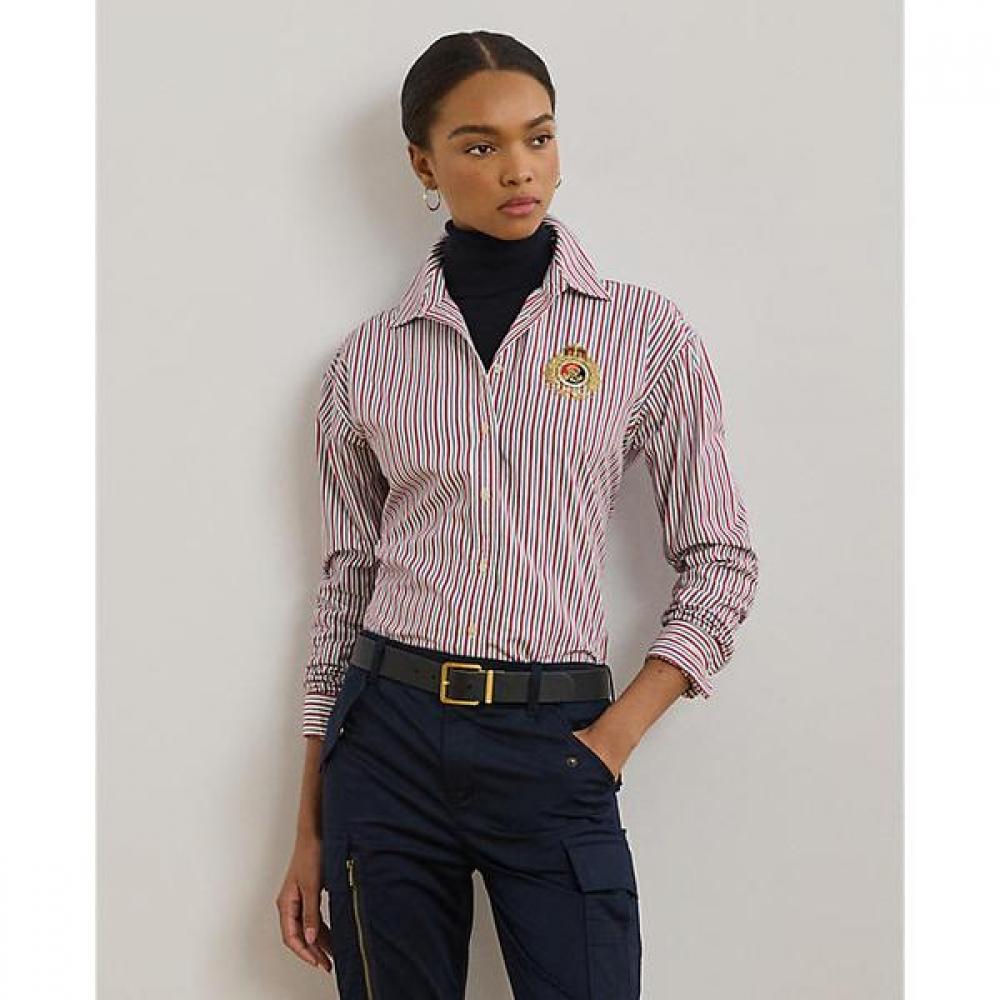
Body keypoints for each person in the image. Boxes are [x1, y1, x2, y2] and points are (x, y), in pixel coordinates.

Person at [277, 29, 760, 999]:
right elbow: (345, 589)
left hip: (556, 743)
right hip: (387, 744)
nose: (518, 168)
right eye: (479, 144)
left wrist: (610, 743)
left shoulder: (643, 334)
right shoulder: (369, 361)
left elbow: (721, 559)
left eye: (538, 137)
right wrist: (310, 822)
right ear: (423, 164)